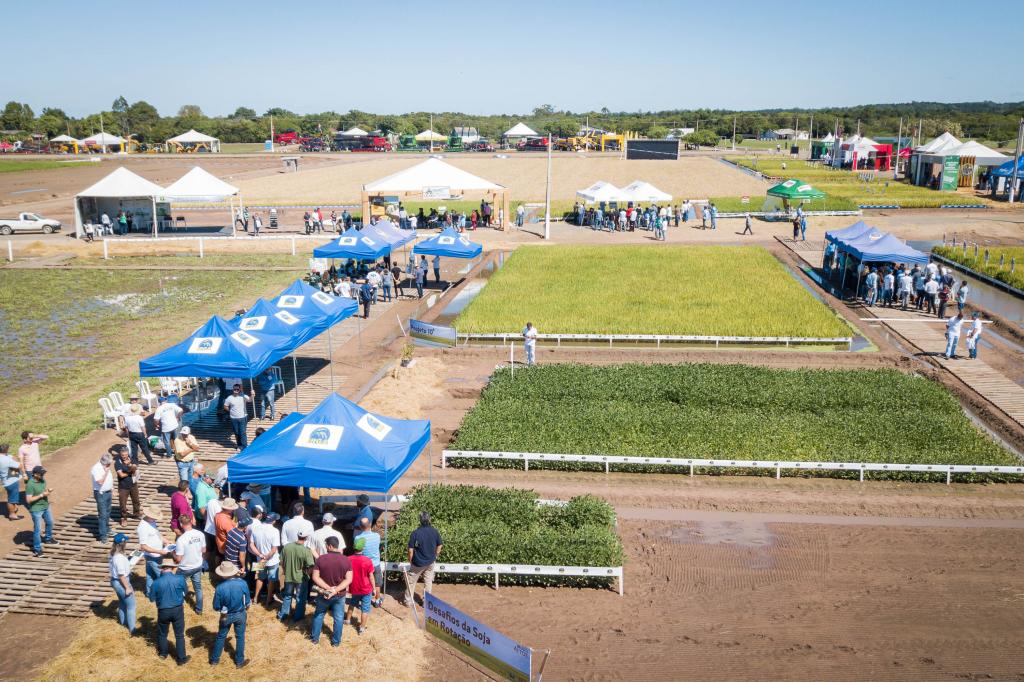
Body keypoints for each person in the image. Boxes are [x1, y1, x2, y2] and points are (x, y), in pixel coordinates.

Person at [310, 536, 352, 647]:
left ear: (329, 546)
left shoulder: (321, 559)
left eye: (326, 545)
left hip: (323, 594)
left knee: (319, 615)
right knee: (338, 618)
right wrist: (335, 590)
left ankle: (314, 639)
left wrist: (328, 589)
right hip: (340, 595)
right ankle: (336, 642)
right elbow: (349, 579)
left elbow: (315, 577)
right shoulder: (346, 559)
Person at [210, 562, 251, 668]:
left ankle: (214, 660)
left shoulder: (219, 588)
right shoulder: (243, 583)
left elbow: (216, 607)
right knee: (240, 637)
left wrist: (223, 609)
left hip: (226, 616)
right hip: (240, 614)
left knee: (221, 636)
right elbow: (247, 602)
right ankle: (239, 662)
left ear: (222, 574)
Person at [150, 556, 189, 665]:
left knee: (162, 633)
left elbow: (151, 598)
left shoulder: (156, 582)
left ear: (162, 568)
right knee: (179, 635)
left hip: (163, 610)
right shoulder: (180, 579)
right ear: (172, 568)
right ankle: (181, 659)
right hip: (177, 610)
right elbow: (185, 592)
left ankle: (163, 654)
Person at [402, 512, 443, 606]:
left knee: (411, 582)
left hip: (418, 563)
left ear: (420, 520)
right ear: (429, 520)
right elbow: (440, 545)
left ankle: (408, 601)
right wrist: (436, 555)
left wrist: (410, 560)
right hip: (430, 562)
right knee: (428, 582)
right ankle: (426, 602)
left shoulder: (415, 533)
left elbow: (410, 550)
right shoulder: (434, 531)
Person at [279, 529, 315, 622]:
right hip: (301, 579)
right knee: (300, 598)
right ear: (306, 538)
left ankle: (283, 614)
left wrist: (286, 570)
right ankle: (298, 617)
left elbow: (281, 562)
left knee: (287, 596)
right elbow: (311, 566)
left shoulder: (287, 547)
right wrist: (307, 574)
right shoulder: (306, 550)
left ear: (297, 536)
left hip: (288, 577)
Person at [174, 514, 206, 614]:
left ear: (181, 524)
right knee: (198, 588)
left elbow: (178, 559)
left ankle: (178, 606)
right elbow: (204, 549)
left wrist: (172, 553)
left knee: (177, 587)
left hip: (185, 567)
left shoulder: (181, 539)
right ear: (191, 521)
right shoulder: (200, 534)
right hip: (197, 565)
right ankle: (199, 609)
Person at [345, 537, 376, 635]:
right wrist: (374, 588)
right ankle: (362, 628)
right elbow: (371, 576)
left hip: (354, 587)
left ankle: (348, 620)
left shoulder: (348, 559)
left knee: (352, 604)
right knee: (365, 609)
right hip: (366, 588)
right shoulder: (367, 561)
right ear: (363, 548)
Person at [250, 508, 280, 606]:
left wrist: (260, 555)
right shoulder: (275, 531)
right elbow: (274, 549)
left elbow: (251, 545)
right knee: (271, 580)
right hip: (272, 560)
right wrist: (266, 557)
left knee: (259, 578)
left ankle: (255, 598)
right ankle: (268, 599)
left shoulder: (255, 528)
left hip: (259, 559)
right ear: (273, 521)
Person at [138, 505, 170, 595]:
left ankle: (149, 593)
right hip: (152, 556)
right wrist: (159, 551)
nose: (156, 519)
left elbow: (156, 533)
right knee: (162, 575)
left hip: (156, 554)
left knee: (150, 575)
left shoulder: (151, 521)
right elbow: (143, 546)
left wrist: (165, 541)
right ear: (150, 515)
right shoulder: (143, 527)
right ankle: (164, 593)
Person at [25, 465, 55, 557]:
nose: (43, 475)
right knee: (38, 530)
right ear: (35, 474)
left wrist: (47, 491)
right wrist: (42, 495)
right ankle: (37, 549)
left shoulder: (43, 480)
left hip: (45, 506)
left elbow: (43, 490)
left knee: (50, 522)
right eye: (41, 474)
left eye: (43, 473)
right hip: (36, 509)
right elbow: (28, 500)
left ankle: (48, 538)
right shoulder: (30, 484)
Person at [109, 533, 136, 635]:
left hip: (115, 581)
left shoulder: (113, 554)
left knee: (122, 603)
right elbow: (121, 575)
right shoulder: (119, 558)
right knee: (131, 605)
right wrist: (127, 588)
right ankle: (132, 630)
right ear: (123, 543)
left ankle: (123, 623)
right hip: (121, 582)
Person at [355, 517, 383, 607]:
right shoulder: (377, 536)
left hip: (364, 565)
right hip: (375, 564)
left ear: (360, 526)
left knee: (363, 583)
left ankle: (362, 601)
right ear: (370, 524)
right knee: (377, 583)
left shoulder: (358, 538)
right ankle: (377, 600)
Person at [114, 444, 140, 526]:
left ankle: (136, 514)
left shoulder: (132, 459)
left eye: (125, 455)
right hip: (123, 487)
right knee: (123, 504)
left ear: (128, 454)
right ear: (120, 454)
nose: (124, 456)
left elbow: (135, 469)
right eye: (122, 455)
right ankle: (123, 518)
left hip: (133, 484)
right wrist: (130, 471)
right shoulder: (117, 463)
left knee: (136, 501)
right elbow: (121, 475)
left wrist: (129, 465)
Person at [91, 451, 114, 543]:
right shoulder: (96, 468)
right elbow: (100, 482)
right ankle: (103, 536)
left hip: (108, 492)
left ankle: (107, 529)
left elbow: (109, 479)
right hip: (101, 494)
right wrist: (106, 472)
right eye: (108, 464)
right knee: (103, 515)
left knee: (108, 512)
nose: (109, 465)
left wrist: (112, 488)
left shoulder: (106, 466)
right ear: (104, 462)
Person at [223, 384, 253, 451]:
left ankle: (244, 446)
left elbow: (250, 400)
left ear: (239, 390)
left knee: (243, 432)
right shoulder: (229, 398)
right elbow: (225, 406)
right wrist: (230, 410)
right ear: (232, 390)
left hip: (243, 417)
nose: (236, 390)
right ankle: (239, 445)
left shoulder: (243, 396)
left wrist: (252, 395)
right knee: (236, 432)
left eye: (237, 389)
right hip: (233, 418)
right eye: (234, 389)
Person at [0, 444, 22, 521]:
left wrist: (10, 456)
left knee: (11, 497)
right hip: (11, 481)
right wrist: (15, 459)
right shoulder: (7, 460)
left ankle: (13, 509)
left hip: (5, 480)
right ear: (6, 450)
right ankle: (12, 514)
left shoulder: (3, 458)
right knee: (12, 500)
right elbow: (20, 465)